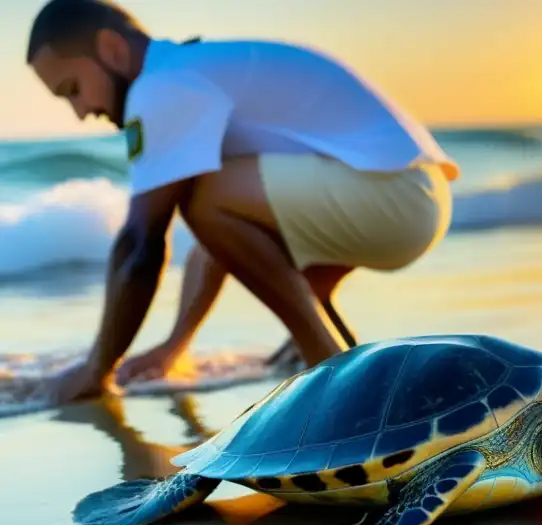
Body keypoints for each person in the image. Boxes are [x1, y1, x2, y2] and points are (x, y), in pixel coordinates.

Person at [27, 0, 458, 404]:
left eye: (73, 89)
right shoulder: (192, 70)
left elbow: (140, 242)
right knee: (214, 207)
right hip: (411, 195)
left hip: (394, 196)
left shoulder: (161, 87)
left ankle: (326, 364)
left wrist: (95, 369)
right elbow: (219, 243)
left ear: (111, 48)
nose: (80, 111)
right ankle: (329, 345)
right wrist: (174, 348)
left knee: (203, 198)